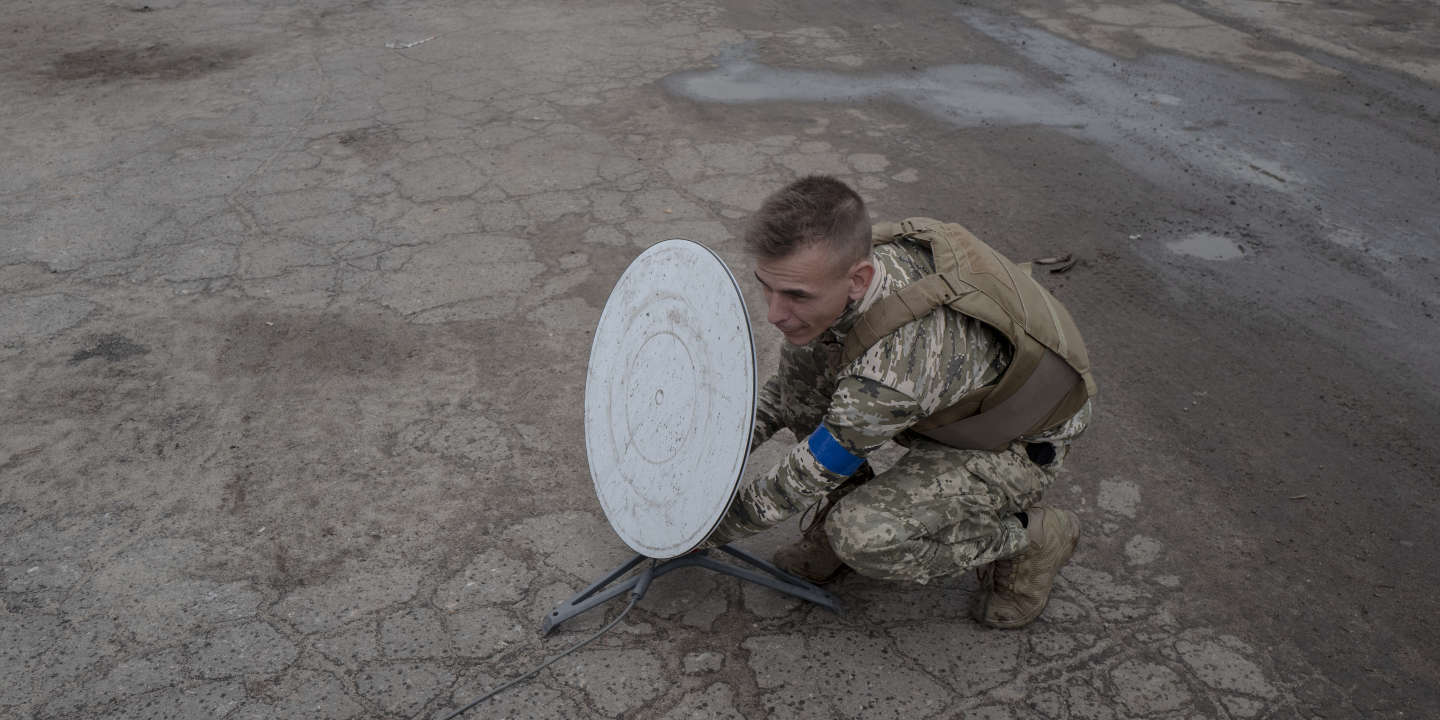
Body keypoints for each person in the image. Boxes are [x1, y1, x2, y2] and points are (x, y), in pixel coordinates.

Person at [704, 175, 1095, 629]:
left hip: (1014, 439)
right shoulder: (837, 280)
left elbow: (812, 469)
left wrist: (705, 531)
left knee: (863, 534)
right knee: (804, 371)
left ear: (858, 279)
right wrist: (707, 451)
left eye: (794, 296)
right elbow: (782, 397)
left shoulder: (891, 368)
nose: (774, 313)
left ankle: (1028, 539)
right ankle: (840, 512)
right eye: (766, 286)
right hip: (947, 401)